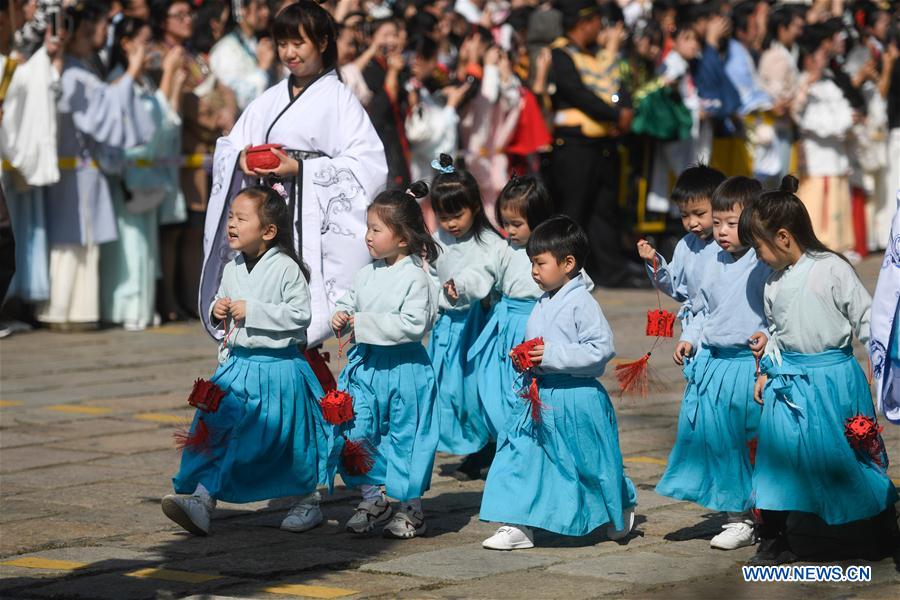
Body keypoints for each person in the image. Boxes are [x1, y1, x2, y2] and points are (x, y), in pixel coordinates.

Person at [200, 0, 388, 357]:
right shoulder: (269, 99)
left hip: (310, 217)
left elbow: (369, 165)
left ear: (322, 42)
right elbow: (230, 146)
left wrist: (302, 169)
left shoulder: (339, 100)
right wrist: (240, 158)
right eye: (282, 44)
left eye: (298, 43)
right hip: (270, 208)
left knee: (298, 298)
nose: (289, 53)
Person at [741, 175, 898, 565]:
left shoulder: (832, 269)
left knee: (847, 458)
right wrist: (767, 368)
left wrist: (878, 365)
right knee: (778, 460)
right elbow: (777, 331)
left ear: (782, 237)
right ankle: (776, 534)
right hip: (787, 385)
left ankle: (879, 528)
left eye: (757, 247)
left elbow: (867, 320)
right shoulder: (773, 283)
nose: (756, 256)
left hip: (833, 381)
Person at [163, 186, 331, 536]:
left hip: (278, 369)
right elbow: (221, 301)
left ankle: (306, 501)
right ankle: (202, 498)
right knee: (217, 431)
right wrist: (217, 308)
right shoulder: (232, 267)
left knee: (286, 440)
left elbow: (300, 315)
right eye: (230, 217)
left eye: (242, 218)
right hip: (236, 368)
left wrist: (253, 311)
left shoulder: (286, 268)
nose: (232, 224)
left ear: (269, 231)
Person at [480, 215, 637, 550]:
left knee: (592, 464)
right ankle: (518, 524)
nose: (534, 271)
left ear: (568, 263)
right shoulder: (543, 300)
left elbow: (601, 349)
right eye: (531, 264)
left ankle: (618, 506)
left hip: (577, 398)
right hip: (538, 397)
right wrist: (523, 357)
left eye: (539, 263)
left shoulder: (583, 302)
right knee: (521, 456)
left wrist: (549, 354)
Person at [655, 176, 771, 551]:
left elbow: (777, 312)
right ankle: (735, 517)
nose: (721, 232)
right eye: (717, 223)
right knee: (723, 443)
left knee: (759, 442)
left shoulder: (764, 263)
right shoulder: (711, 261)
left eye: (731, 224)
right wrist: (690, 337)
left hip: (751, 366)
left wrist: (770, 339)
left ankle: (768, 512)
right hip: (716, 365)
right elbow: (701, 309)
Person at [330, 182, 439, 539]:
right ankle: (371, 497)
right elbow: (351, 301)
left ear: (403, 238)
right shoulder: (366, 273)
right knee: (358, 432)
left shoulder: (416, 278)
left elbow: (412, 326)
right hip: (367, 367)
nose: (368, 236)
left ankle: (411, 508)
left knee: (406, 436)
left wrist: (360, 322)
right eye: (368, 228)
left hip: (405, 368)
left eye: (376, 229)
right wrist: (342, 314)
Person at [37, 0, 154, 330]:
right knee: (72, 239)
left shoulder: (83, 69)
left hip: (83, 169)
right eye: (98, 26)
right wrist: (131, 73)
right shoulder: (73, 73)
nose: (104, 31)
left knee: (81, 240)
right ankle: (63, 310)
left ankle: (77, 310)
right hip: (74, 170)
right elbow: (103, 110)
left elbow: (104, 103)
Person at [545, 0, 641, 288]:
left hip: (601, 144)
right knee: (574, 210)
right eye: (597, 21)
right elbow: (576, 93)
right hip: (574, 144)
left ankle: (611, 272)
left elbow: (615, 85)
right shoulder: (560, 54)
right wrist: (614, 114)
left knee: (604, 211)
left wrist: (622, 112)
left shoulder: (597, 55)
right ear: (583, 22)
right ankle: (565, 273)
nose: (601, 28)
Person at [101, 16, 185, 331]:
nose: (150, 48)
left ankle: (143, 307)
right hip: (125, 174)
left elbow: (161, 124)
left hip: (147, 173)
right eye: (144, 40)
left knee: (145, 247)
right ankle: (123, 308)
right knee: (129, 245)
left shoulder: (144, 83)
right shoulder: (118, 78)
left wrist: (171, 79)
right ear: (126, 43)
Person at [426, 154, 504, 469]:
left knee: (478, 391)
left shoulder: (491, 243)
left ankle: (490, 444)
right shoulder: (435, 242)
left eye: (457, 215)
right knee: (449, 393)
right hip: (447, 331)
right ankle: (472, 443)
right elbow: (429, 278)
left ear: (474, 206)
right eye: (443, 216)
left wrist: (472, 291)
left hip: (479, 329)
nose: (451, 224)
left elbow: (492, 278)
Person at [468, 174, 554, 448]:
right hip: (503, 327)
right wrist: (461, 286)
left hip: (534, 326)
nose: (510, 230)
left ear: (537, 218)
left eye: (517, 224)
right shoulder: (502, 249)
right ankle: (505, 438)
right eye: (505, 223)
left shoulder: (550, 250)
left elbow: (577, 281)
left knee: (526, 387)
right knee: (494, 385)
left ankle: (527, 440)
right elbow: (480, 273)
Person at [637, 164, 725, 337]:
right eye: (685, 215)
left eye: (699, 214)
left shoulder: (732, 244)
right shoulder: (685, 245)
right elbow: (675, 287)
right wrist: (653, 262)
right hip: (694, 332)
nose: (692, 222)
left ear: (721, 206)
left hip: (725, 328)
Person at [210, 0, 274, 111]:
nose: (266, 12)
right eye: (259, 7)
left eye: (266, 6)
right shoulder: (226, 49)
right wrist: (263, 67)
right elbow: (237, 99)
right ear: (242, 10)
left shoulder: (257, 43)